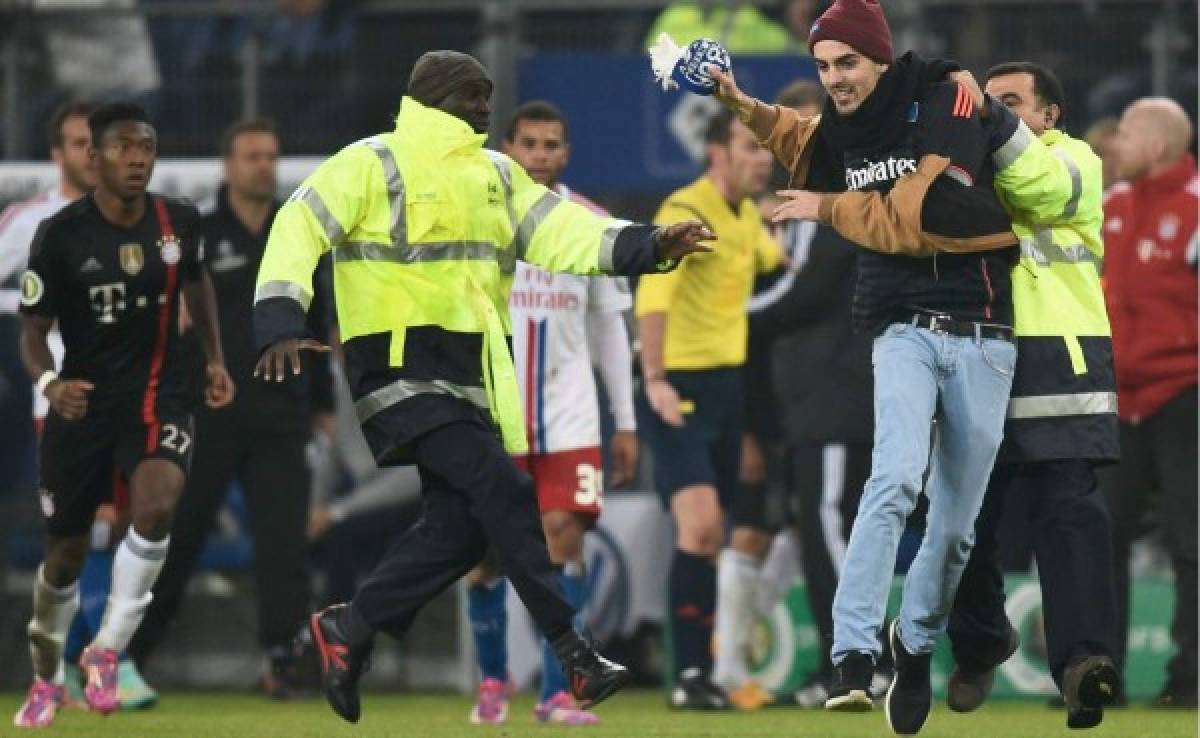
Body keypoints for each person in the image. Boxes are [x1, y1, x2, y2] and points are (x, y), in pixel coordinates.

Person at [250, 50, 713, 725]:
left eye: (486, 94)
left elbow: (566, 234)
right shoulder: (370, 161)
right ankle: (573, 650)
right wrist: (279, 318)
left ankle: (351, 626)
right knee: (508, 491)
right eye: (473, 93)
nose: (484, 104)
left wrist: (651, 243)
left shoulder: (498, 174)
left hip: (470, 375)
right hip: (397, 367)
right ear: (437, 95)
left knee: (464, 530)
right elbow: (298, 226)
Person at [710, 0, 1023, 732]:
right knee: (892, 480)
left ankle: (911, 649)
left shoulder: (945, 101)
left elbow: (918, 219)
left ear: (880, 59)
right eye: (822, 67)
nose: (835, 79)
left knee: (955, 527)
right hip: (901, 328)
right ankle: (852, 653)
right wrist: (736, 98)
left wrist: (827, 208)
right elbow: (799, 134)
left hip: (983, 330)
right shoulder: (845, 126)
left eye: (846, 63)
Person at [13, 102, 234, 728]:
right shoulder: (60, 234)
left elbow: (198, 286)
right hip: (82, 406)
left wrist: (215, 359)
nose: (137, 159)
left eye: (146, 148)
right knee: (65, 556)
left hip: (160, 395)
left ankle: (107, 650)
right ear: (94, 157)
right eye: (122, 148)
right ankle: (45, 677)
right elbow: (32, 332)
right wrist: (51, 383)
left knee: (157, 506)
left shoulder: (178, 222)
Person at [127, 118, 335, 699]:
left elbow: (315, 324)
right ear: (227, 165)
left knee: (283, 548)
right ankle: (127, 658)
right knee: (178, 538)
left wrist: (322, 404)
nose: (263, 166)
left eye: (271, 156)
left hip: (281, 416)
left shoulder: (296, 235)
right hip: (205, 414)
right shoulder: (195, 235)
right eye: (251, 156)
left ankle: (283, 663)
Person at [944, 62, 1122, 730]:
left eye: (1012, 103)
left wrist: (981, 121)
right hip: (974, 348)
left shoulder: (1076, 159)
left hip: (1059, 354)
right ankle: (984, 640)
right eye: (988, 102)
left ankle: (1083, 663)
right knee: (962, 521)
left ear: (1050, 116)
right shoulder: (965, 161)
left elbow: (1042, 194)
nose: (995, 111)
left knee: (1069, 510)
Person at [463, 100, 640, 727]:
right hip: (495, 414)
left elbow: (610, 331)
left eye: (551, 145)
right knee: (484, 550)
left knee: (565, 539)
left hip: (568, 415)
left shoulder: (590, 222)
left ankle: (558, 689)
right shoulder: (479, 219)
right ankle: (491, 680)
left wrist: (626, 418)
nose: (540, 155)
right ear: (508, 148)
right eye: (529, 143)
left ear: (566, 154)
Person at [636, 107, 779, 710]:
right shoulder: (683, 212)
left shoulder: (745, 216)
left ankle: (702, 671)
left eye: (764, 148)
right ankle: (689, 672)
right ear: (717, 152)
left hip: (728, 388)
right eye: (749, 146)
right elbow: (653, 294)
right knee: (698, 528)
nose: (763, 158)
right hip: (681, 386)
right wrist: (655, 377)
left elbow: (773, 260)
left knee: (713, 534)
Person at [746, 79, 879, 710]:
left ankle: (858, 661)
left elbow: (805, 292)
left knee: (831, 525)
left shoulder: (832, 199)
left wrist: (727, 315)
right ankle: (849, 659)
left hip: (834, 392)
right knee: (828, 524)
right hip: (814, 393)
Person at [1101, 97, 1197, 708]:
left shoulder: (1196, 207)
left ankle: (1191, 679)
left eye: (1128, 134)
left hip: (1186, 391)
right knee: (1102, 535)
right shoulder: (1110, 204)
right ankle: (1098, 675)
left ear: (1158, 145)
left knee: (1193, 539)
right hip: (1117, 395)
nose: (1116, 145)